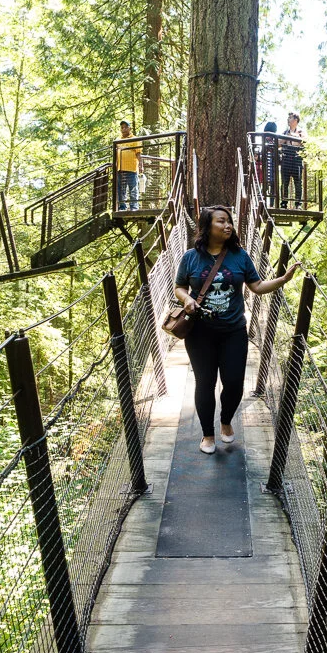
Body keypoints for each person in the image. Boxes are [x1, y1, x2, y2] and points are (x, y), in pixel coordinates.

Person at [174, 206, 301, 454]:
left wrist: (283, 280)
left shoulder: (239, 256)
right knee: (205, 383)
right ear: (207, 226)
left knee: (233, 383)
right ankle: (207, 435)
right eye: (221, 221)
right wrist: (186, 299)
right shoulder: (190, 257)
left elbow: (257, 286)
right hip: (200, 332)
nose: (228, 225)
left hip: (233, 331)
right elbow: (179, 287)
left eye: (229, 221)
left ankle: (226, 421)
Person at [115, 121, 143, 211]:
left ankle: (134, 207)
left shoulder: (134, 139)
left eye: (125, 127)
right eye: (122, 127)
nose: (123, 129)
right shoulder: (118, 140)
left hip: (131, 168)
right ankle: (122, 207)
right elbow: (115, 154)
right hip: (120, 169)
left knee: (133, 188)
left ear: (129, 128)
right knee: (121, 189)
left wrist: (141, 165)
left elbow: (138, 153)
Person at [280, 112, 305, 208]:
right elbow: (279, 143)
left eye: (290, 118)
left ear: (296, 120)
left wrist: (293, 136)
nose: (288, 119)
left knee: (298, 182)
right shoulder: (285, 132)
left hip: (296, 159)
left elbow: (304, 142)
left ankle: (298, 204)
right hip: (286, 158)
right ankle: (284, 202)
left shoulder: (301, 132)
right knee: (284, 182)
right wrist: (285, 138)